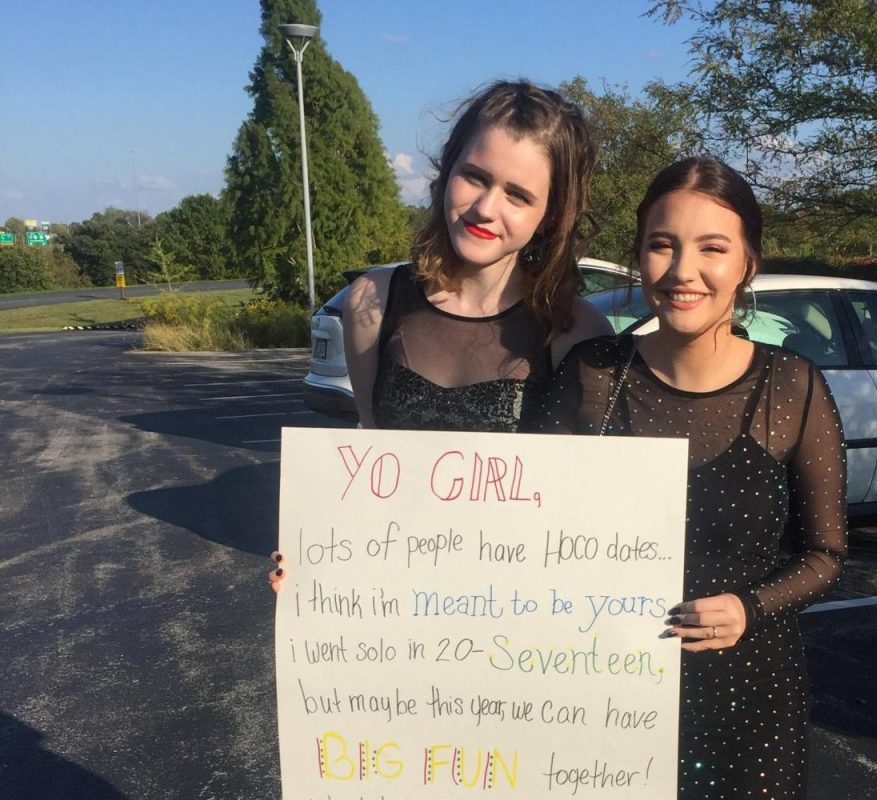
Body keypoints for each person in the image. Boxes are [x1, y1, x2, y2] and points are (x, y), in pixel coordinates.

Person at [537, 157, 848, 798]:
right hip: (603, 694)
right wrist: (332, 571)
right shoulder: (590, 376)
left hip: (749, 700)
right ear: (639, 257)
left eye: (712, 248)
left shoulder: (791, 387)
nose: (683, 271)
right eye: (662, 245)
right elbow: (509, 529)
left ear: (747, 264)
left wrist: (749, 606)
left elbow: (827, 553)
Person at [269, 80, 610, 590]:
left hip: (526, 620)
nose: (486, 208)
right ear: (447, 170)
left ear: (550, 216)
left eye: (518, 195)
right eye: (475, 176)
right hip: (399, 612)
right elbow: (372, 464)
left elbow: (593, 505)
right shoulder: (372, 302)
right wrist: (314, 566)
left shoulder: (575, 331)